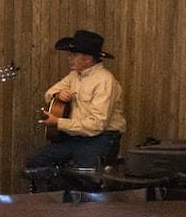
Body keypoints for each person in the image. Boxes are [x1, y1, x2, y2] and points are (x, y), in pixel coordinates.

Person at [25, 28, 128, 181]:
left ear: (87, 58)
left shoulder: (105, 81)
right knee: (37, 163)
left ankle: (72, 199)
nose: (70, 58)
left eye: (73, 55)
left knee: (82, 175)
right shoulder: (74, 76)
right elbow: (49, 93)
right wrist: (58, 95)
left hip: (102, 138)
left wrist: (58, 122)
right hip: (77, 138)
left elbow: (97, 125)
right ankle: (57, 199)